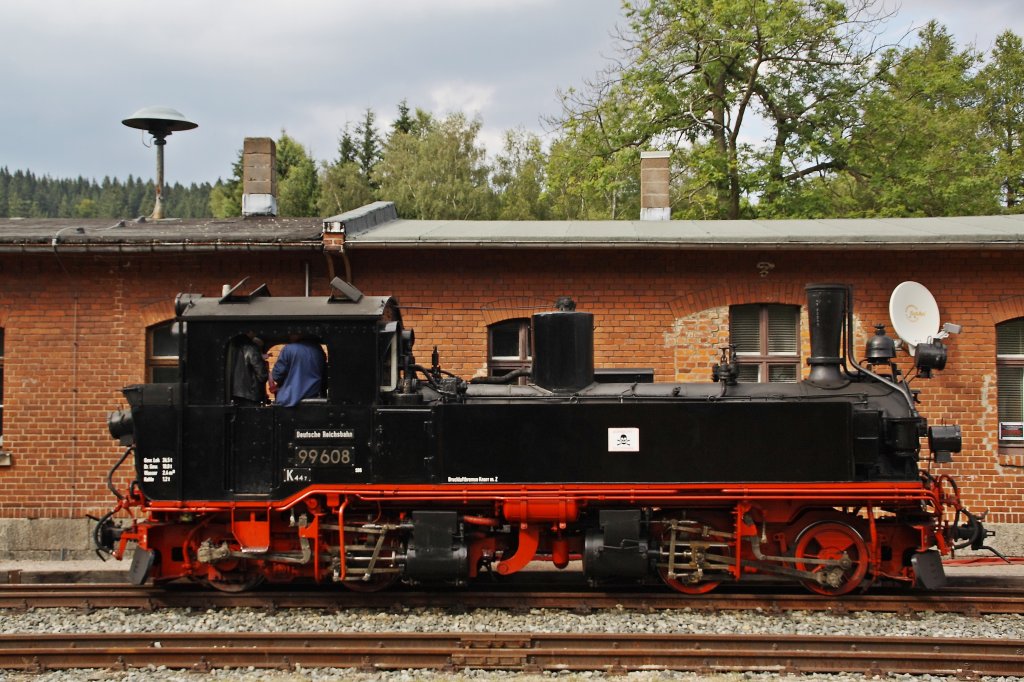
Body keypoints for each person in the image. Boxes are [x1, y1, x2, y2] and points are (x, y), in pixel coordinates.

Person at [272, 336, 326, 407]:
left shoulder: (288, 349)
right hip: (316, 399)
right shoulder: (318, 350)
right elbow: (325, 377)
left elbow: (277, 376)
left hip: (289, 400)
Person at [230, 334, 269, 406]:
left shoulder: (234, 349)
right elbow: (262, 374)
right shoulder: (252, 349)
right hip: (251, 394)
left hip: (236, 393)